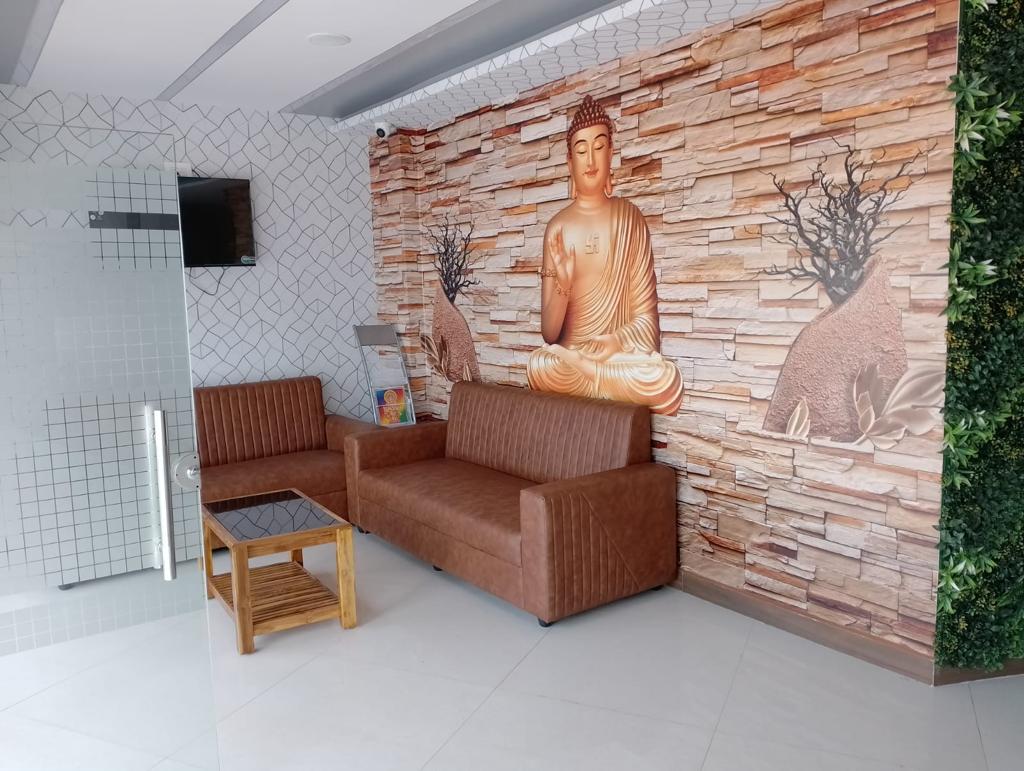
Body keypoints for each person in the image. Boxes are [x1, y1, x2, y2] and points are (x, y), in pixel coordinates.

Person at [527, 94, 683, 415]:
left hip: (614, 359)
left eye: (598, 147)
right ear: (569, 162)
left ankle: (593, 374)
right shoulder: (557, 228)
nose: (590, 161)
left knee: (664, 379)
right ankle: (591, 375)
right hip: (570, 360)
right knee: (540, 365)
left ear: (611, 153)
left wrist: (615, 342)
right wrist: (563, 285)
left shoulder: (630, 218)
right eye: (581, 150)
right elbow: (550, 334)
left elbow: (647, 322)